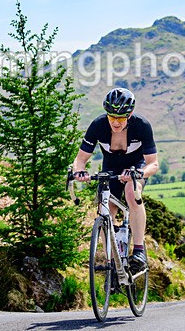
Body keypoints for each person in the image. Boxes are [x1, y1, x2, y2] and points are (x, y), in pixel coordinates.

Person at [72, 88, 159, 273]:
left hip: (136, 166)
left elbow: (154, 164)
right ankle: (112, 262)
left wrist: (139, 173)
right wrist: (79, 171)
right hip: (110, 168)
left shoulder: (142, 125)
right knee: (106, 209)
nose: (116, 122)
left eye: (121, 117)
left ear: (130, 114)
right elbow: (80, 159)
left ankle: (138, 250)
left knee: (130, 192)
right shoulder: (98, 125)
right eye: (112, 116)